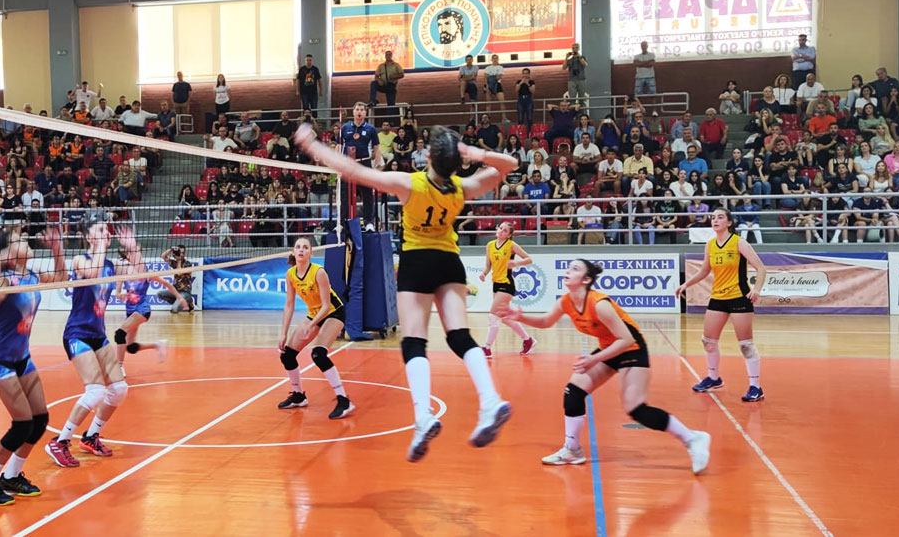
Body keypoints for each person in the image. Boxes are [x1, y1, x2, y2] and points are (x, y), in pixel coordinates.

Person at [295, 123, 517, 462]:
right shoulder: (462, 187)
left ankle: (423, 417)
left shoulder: (410, 183)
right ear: (455, 161)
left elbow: (354, 171)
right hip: (449, 262)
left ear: (429, 157)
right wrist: (477, 154)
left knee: (414, 341)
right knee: (459, 336)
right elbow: (509, 165)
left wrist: (313, 146)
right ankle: (490, 401)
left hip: (417, 262)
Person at [502, 259, 710, 472]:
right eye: (569, 267)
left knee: (636, 409)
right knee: (573, 391)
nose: (568, 271)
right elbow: (546, 321)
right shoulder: (566, 301)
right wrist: (521, 317)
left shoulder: (599, 304)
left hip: (632, 349)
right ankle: (572, 450)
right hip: (609, 348)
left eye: (575, 268)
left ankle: (693, 439)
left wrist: (594, 359)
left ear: (586, 279)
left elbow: (626, 340)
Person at [0, 229, 67, 506]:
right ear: (8, 251)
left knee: (40, 420)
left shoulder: (32, 274)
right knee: (23, 424)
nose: (26, 240)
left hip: (22, 356)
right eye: (19, 240)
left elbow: (61, 278)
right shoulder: (4, 278)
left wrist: (57, 248)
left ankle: (11, 476)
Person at [45, 218, 129, 467]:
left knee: (119, 389)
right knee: (95, 391)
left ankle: (91, 436)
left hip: (98, 334)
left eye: (107, 230)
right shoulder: (80, 260)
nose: (107, 233)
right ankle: (60, 441)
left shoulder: (111, 265)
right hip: (77, 334)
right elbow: (92, 273)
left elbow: (138, 268)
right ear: (89, 237)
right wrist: (101, 245)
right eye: (101, 230)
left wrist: (132, 246)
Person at [675, 208, 768, 402]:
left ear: (729, 222)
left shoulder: (739, 242)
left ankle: (755, 387)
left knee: (746, 345)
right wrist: (686, 284)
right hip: (718, 297)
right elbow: (704, 270)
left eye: (720, 217)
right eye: (713, 218)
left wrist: (757, 289)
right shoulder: (710, 245)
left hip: (739, 296)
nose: (715, 220)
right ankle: (714, 378)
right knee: (708, 342)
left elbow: (760, 268)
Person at [276, 237, 354, 419]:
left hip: (334, 312)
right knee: (287, 354)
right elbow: (289, 305)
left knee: (318, 354)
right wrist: (284, 334)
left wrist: (310, 325)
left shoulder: (319, 272)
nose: (301, 250)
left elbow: (326, 306)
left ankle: (344, 400)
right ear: (293, 252)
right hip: (314, 314)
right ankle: (298, 395)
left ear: (311, 253)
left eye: (305, 247)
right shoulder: (291, 274)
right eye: (298, 247)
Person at [112, 242, 184, 366]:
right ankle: (158, 345)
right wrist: (123, 295)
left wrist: (180, 298)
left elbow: (168, 284)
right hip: (130, 311)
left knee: (119, 334)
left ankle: (119, 367)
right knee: (130, 347)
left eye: (138, 252)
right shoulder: (123, 272)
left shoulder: (147, 272)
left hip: (142, 309)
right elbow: (117, 295)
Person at [478, 222, 536, 358]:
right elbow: (488, 265)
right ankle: (528, 340)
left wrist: (516, 263)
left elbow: (529, 259)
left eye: (504, 231)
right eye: (500, 228)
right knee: (504, 318)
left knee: (493, 316)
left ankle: (487, 348)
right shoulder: (490, 245)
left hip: (507, 284)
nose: (501, 231)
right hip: (496, 284)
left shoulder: (511, 245)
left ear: (509, 235)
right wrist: (484, 273)